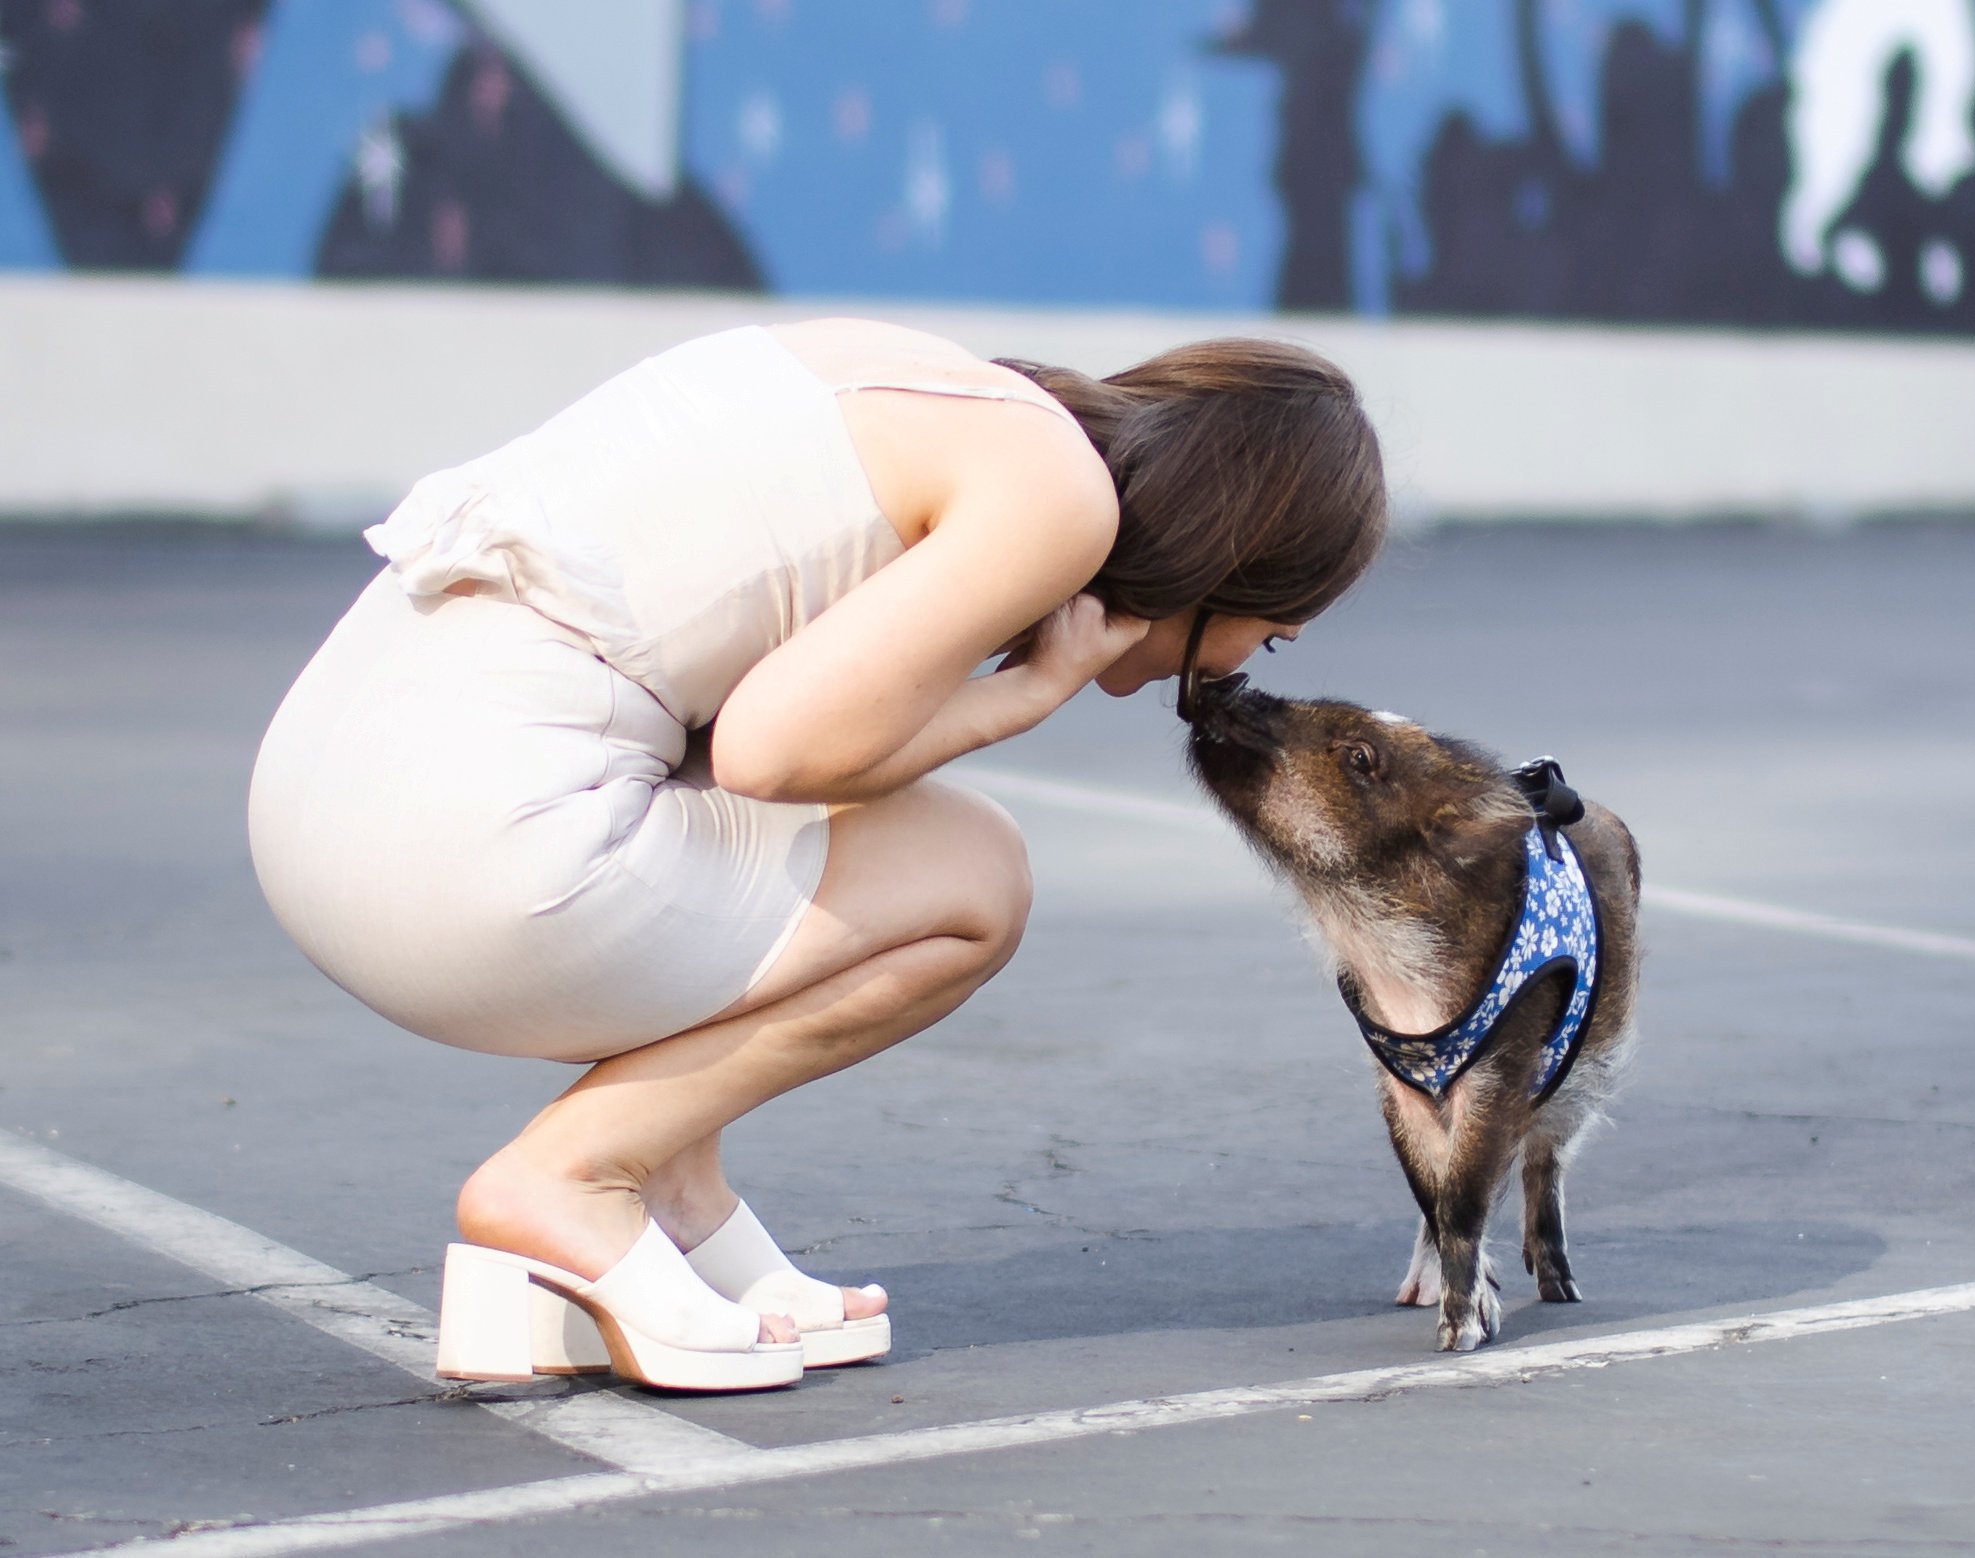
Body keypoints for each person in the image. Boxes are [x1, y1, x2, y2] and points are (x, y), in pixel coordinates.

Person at [247, 317, 1388, 1390]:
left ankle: (667, 1186)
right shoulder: (1055, 501)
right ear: (1232, 555)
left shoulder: (952, 391)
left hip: (329, 796)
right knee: (969, 875)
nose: (1249, 664)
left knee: (808, 830)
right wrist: (1025, 694)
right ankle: (572, 1180)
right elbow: (770, 751)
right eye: (1273, 628)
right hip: (463, 853)